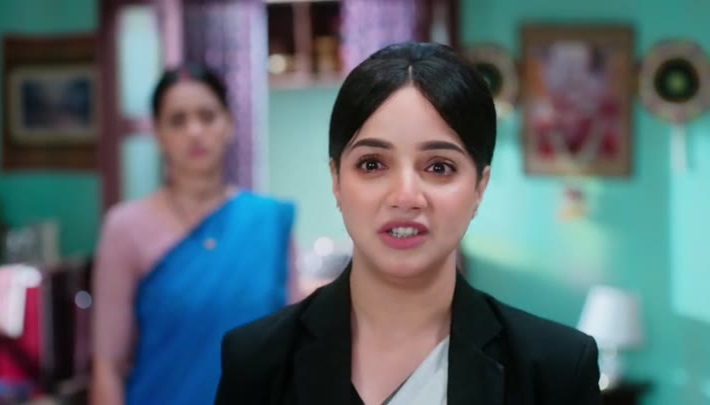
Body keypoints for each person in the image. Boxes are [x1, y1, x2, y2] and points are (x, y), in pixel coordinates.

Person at [214, 42, 600, 405]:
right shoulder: (258, 360)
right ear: (336, 180)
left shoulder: (556, 370)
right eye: (372, 164)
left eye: (439, 167)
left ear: (479, 188)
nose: (405, 196)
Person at [90, 64, 297, 405]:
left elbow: (296, 351)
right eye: (178, 120)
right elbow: (107, 367)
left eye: (207, 116)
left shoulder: (269, 221)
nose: (195, 131)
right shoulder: (125, 228)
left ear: (229, 124)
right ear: (158, 134)